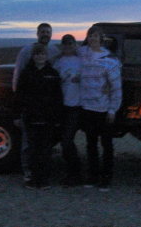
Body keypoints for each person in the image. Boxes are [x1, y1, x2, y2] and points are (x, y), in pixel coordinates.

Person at [12, 23, 60, 183]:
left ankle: (43, 172)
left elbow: (57, 80)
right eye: (43, 32)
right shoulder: (26, 51)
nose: (45, 34)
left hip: (46, 107)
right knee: (29, 143)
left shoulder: (54, 51)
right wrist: (18, 106)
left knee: (44, 142)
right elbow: (18, 75)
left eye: (48, 32)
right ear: (37, 33)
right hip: (30, 105)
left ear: (51, 34)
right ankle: (28, 172)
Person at [79, 26, 122, 192]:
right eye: (90, 36)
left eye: (96, 36)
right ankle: (92, 175)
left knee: (106, 144)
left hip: (103, 108)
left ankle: (106, 177)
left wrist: (113, 109)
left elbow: (116, 87)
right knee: (90, 144)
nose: (92, 39)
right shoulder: (83, 55)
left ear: (101, 39)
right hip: (87, 107)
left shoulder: (109, 60)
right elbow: (68, 52)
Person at [53, 34, 83, 186]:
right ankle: (70, 172)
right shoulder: (58, 62)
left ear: (74, 44)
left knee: (67, 140)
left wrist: (81, 79)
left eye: (70, 43)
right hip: (61, 105)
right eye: (65, 44)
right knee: (62, 139)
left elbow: (90, 77)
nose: (68, 46)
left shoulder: (81, 61)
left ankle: (75, 173)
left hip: (76, 106)